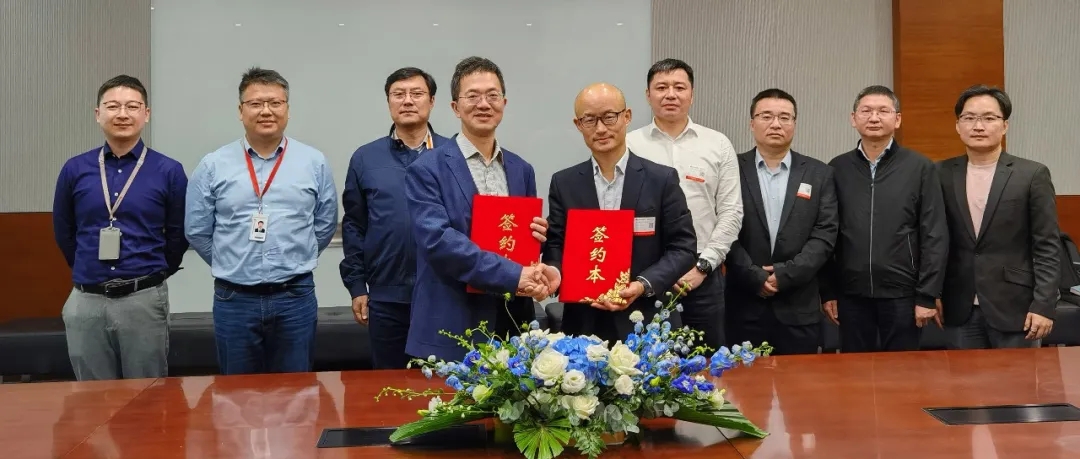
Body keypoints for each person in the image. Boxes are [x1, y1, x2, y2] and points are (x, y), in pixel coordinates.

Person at [185, 67, 338, 374]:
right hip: (234, 298)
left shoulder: (313, 162)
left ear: (287, 110)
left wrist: (297, 256)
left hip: (295, 296)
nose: (266, 111)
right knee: (236, 393)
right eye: (255, 103)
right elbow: (197, 230)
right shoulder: (213, 164)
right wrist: (232, 262)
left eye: (275, 103)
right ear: (240, 111)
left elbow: (325, 223)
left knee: (297, 391)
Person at [405, 56, 555, 362]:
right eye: (472, 96)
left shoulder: (521, 169)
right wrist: (515, 274)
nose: (483, 104)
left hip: (513, 322)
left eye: (492, 95)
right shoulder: (426, 168)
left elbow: (520, 245)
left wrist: (538, 241)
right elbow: (439, 242)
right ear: (455, 107)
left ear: (504, 103)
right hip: (453, 322)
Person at [52, 74, 188, 380]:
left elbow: (178, 234)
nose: (122, 114)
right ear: (97, 113)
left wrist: (154, 272)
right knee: (92, 398)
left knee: (147, 395)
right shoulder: (75, 169)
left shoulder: (169, 170)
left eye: (132, 106)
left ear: (146, 114)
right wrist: (88, 267)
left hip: (142, 298)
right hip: (86, 300)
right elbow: (64, 230)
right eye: (113, 106)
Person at [543, 82, 697, 343]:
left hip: (647, 320)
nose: (601, 128)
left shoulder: (661, 179)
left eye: (609, 117)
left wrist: (642, 284)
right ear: (578, 125)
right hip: (583, 322)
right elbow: (555, 243)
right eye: (589, 120)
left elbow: (684, 247)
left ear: (627, 116)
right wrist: (555, 273)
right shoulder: (564, 182)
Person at [820, 85, 948, 353]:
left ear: (897, 119)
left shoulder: (919, 167)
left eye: (883, 111)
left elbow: (934, 234)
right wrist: (828, 291)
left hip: (903, 294)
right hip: (850, 295)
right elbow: (827, 234)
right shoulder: (837, 168)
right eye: (866, 111)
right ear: (853, 118)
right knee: (854, 370)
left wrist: (927, 295)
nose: (874, 118)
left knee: (901, 371)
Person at [626, 58, 742, 350]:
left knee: (707, 362)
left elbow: (731, 212)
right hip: (644, 274)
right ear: (648, 95)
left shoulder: (717, 144)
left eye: (679, 87)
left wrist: (703, 267)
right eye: (661, 87)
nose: (671, 94)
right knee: (647, 364)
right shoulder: (628, 145)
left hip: (702, 274)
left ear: (692, 94)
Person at [339, 67, 450, 369]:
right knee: (389, 385)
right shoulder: (365, 158)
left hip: (445, 295)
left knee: (446, 386)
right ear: (388, 102)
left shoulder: (453, 154)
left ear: (432, 101)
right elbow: (354, 225)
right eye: (398, 94)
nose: (408, 101)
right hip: (387, 298)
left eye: (417, 93)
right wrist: (357, 286)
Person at [939, 85, 1059, 348]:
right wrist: (930, 294)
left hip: (1017, 307)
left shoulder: (1032, 174)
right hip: (958, 306)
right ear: (958, 125)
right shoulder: (940, 173)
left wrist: (1044, 304)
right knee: (961, 376)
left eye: (989, 118)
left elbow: (1047, 245)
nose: (978, 126)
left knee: (1019, 376)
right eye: (969, 118)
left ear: (1005, 126)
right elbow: (932, 241)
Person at [724, 89, 838, 355]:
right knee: (744, 381)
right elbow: (722, 229)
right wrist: (753, 275)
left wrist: (785, 275)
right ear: (752, 123)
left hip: (799, 308)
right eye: (766, 116)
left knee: (800, 381)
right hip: (744, 305)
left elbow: (825, 235)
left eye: (784, 117)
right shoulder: (730, 169)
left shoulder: (820, 173)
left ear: (794, 124)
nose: (776, 124)